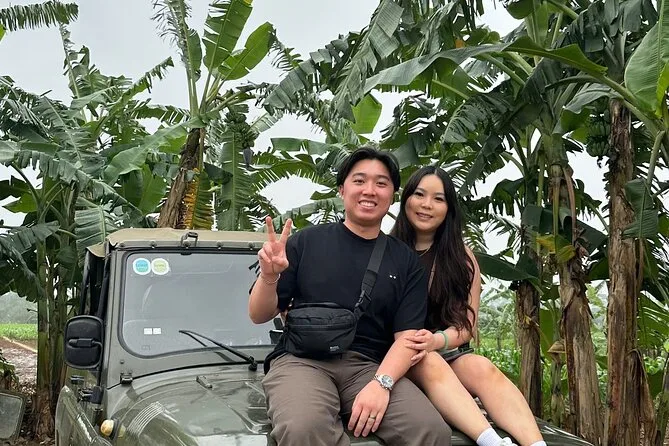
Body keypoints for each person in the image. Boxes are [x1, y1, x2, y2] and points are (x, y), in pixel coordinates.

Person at [248, 147, 452, 446]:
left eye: (381, 183)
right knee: (304, 428)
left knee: (430, 430)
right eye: (359, 180)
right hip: (302, 361)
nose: (369, 190)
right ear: (342, 189)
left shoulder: (405, 260)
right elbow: (258, 314)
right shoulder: (306, 242)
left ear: (393, 195)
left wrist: (381, 384)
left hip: (369, 366)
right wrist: (269, 276)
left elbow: (407, 337)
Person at [391, 165, 547, 446]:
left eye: (438, 199)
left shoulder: (461, 259)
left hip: (442, 351)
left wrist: (436, 340)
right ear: (406, 200)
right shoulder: (385, 250)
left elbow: (465, 326)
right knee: (426, 359)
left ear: (448, 209)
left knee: (480, 366)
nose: (427, 205)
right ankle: (492, 443)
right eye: (419, 195)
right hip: (393, 355)